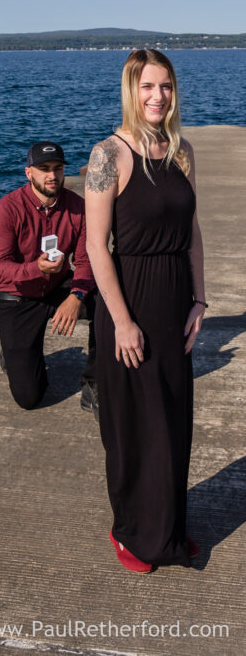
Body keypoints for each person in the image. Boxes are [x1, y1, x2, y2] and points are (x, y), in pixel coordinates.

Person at [85, 49, 206, 573]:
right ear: (131, 90)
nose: (158, 97)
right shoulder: (107, 155)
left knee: (173, 423)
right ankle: (131, 534)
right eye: (148, 87)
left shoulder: (181, 152)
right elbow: (94, 246)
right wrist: (122, 321)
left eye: (166, 87)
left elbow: (193, 232)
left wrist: (200, 299)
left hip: (175, 297)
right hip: (129, 299)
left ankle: (168, 532)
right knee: (135, 426)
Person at [0, 140, 98, 415]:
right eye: (44, 169)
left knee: (108, 302)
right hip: (17, 297)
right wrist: (36, 269)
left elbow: (85, 261)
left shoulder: (78, 207)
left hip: (57, 287)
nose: (52, 175)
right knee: (29, 397)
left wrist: (76, 297)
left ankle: (96, 382)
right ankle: (15, 352)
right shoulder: (7, 208)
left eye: (58, 168)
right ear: (29, 173)